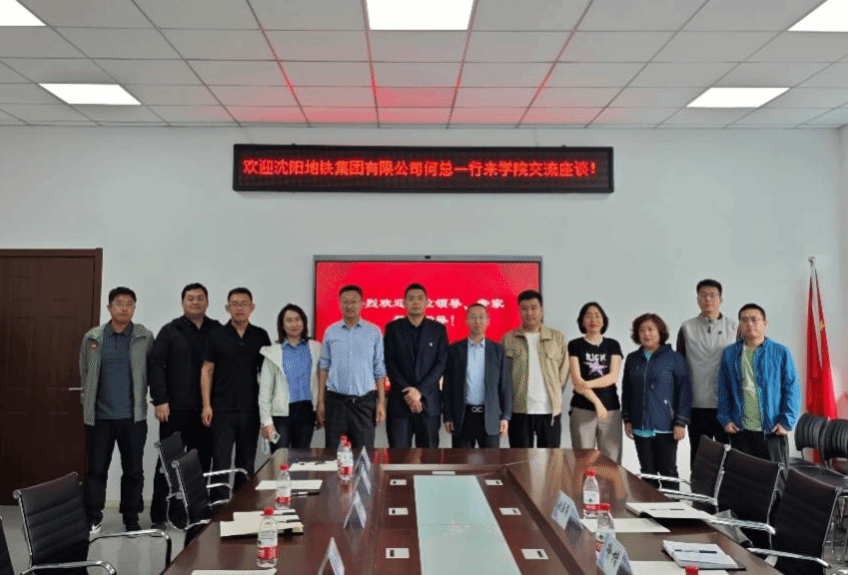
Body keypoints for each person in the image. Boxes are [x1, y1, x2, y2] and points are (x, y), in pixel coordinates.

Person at [79, 286, 154, 533]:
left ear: (134, 308)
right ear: (109, 307)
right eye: (119, 303)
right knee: (96, 470)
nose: (124, 308)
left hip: (133, 417)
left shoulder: (144, 337)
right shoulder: (93, 337)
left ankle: (131, 518)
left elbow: (152, 371)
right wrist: (87, 401)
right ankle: (93, 516)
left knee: (133, 470)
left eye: (129, 304)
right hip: (100, 418)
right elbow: (84, 371)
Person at [149, 282, 221, 529]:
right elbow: (156, 366)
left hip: (206, 410)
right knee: (168, 464)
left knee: (201, 463)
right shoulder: (170, 330)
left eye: (200, 298)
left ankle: (197, 513)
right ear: (183, 302)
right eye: (190, 298)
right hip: (174, 409)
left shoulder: (216, 330)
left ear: (207, 302)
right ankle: (160, 515)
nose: (195, 302)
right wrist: (160, 400)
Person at [201, 287, 270, 498]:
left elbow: (268, 375)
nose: (239, 308)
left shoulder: (260, 335)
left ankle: (243, 505)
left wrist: (267, 412)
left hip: (250, 410)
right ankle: (219, 507)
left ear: (252, 307)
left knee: (246, 463)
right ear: (227, 308)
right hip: (222, 410)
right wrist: (206, 405)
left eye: (244, 304)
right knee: (220, 462)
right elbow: (206, 371)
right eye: (235, 304)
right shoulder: (216, 336)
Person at [717, 303, 800, 468]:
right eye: (744, 320)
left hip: (772, 430)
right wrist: (725, 419)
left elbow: (791, 389)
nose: (749, 324)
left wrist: (786, 422)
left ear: (765, 323)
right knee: (743, 478)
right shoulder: (729, 354)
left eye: (754, 319)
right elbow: (723, 390)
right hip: (740, 431)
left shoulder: (780, 352)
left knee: (775, 479)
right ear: (739, 324)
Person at [622, 313, 691, 489]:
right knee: (647, 472)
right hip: (640, 426)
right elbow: (627, 391)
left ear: (660, 332)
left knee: (668, 472)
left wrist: (681, 422)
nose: (646, 334)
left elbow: (684, 391)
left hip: (666, 427)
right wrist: (627, 419)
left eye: (651, 329)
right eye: (642, 330)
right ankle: (650, 506)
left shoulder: (674, 358)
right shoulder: (632, 358)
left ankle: (673, 507)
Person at [676, 279, 738, 466]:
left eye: (712, 295)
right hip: (697, 404)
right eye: (703, 295)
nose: (708, 299)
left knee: (728, 458)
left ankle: (726, 487)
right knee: (699, 457)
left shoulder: (734, 327)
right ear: (697, 299)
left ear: (721, 299)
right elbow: (680, 369)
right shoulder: (687, 328)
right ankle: (699, 486)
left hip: (726, 405)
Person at [317, 285, 387, 450]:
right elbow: (324, 368)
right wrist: (321, 402)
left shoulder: (374, 332)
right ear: (340, 304)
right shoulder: (331, 332)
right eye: (345, 302)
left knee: (363, 455)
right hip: (336, 403)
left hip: (364, 404)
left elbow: (379, 369)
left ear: (362, 304)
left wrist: (381, 403)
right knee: (334, 454)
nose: (349, 306)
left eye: (353, 302)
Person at [383, 283, 448, 448]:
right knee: (398, 456)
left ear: (427, 302)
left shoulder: (438, 329)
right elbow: (389, 362)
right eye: (411, 298)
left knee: (429, 457)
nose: (416, 302)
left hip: (429, 404)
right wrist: (408, 392)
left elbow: (441, 364)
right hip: (400, 403)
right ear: (404, 303)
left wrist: (419, 391)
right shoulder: (393, 328)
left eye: (420, 298)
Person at [501, 289, 568, 448]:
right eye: (524, 309)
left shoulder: (557, 338)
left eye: (533, 308)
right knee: (520, 458)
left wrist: (555, 390)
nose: (529, 313)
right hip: (519, 410)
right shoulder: (508, 339)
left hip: (549, 411)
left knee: (551, 458)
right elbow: (502, 376)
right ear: (519, 311)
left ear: (541, 309)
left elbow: (564, 371)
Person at [442, 303, 511, 448]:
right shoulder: (455, 350)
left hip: (490, 416)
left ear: (488, 320)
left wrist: (505, 416)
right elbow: (448, 386)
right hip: (463, 416)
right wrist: (447, 416)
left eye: (481, 317)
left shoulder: (497, 350)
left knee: (491, 461)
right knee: (461, 461)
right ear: (466, 320)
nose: (477, 321)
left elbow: (505, 385)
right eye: (473, 317)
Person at [258, 304, 322, 450]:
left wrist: (320, 407)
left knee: (302, 456)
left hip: (306, 411)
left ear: (304, 322)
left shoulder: (316, 348)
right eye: (289, 320)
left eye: (297, 319)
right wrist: (266, 421)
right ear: (282, 325)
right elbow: (265, 390)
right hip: (280, 414)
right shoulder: (272, 353)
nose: (294, 324)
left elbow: (322, 379)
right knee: (280, 457)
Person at [567, 302, 624, 462]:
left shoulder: (612, 345)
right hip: (582, 408)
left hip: (611, 410)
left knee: (612, 461)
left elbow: (612, 377)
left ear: (603, 321)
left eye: (598, 315)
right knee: (583, 460)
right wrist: (598, 404)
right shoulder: (575, 345)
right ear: (582, 321)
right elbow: (576, 379)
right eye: (588, 315)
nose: (593, 319)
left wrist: (586, 384)